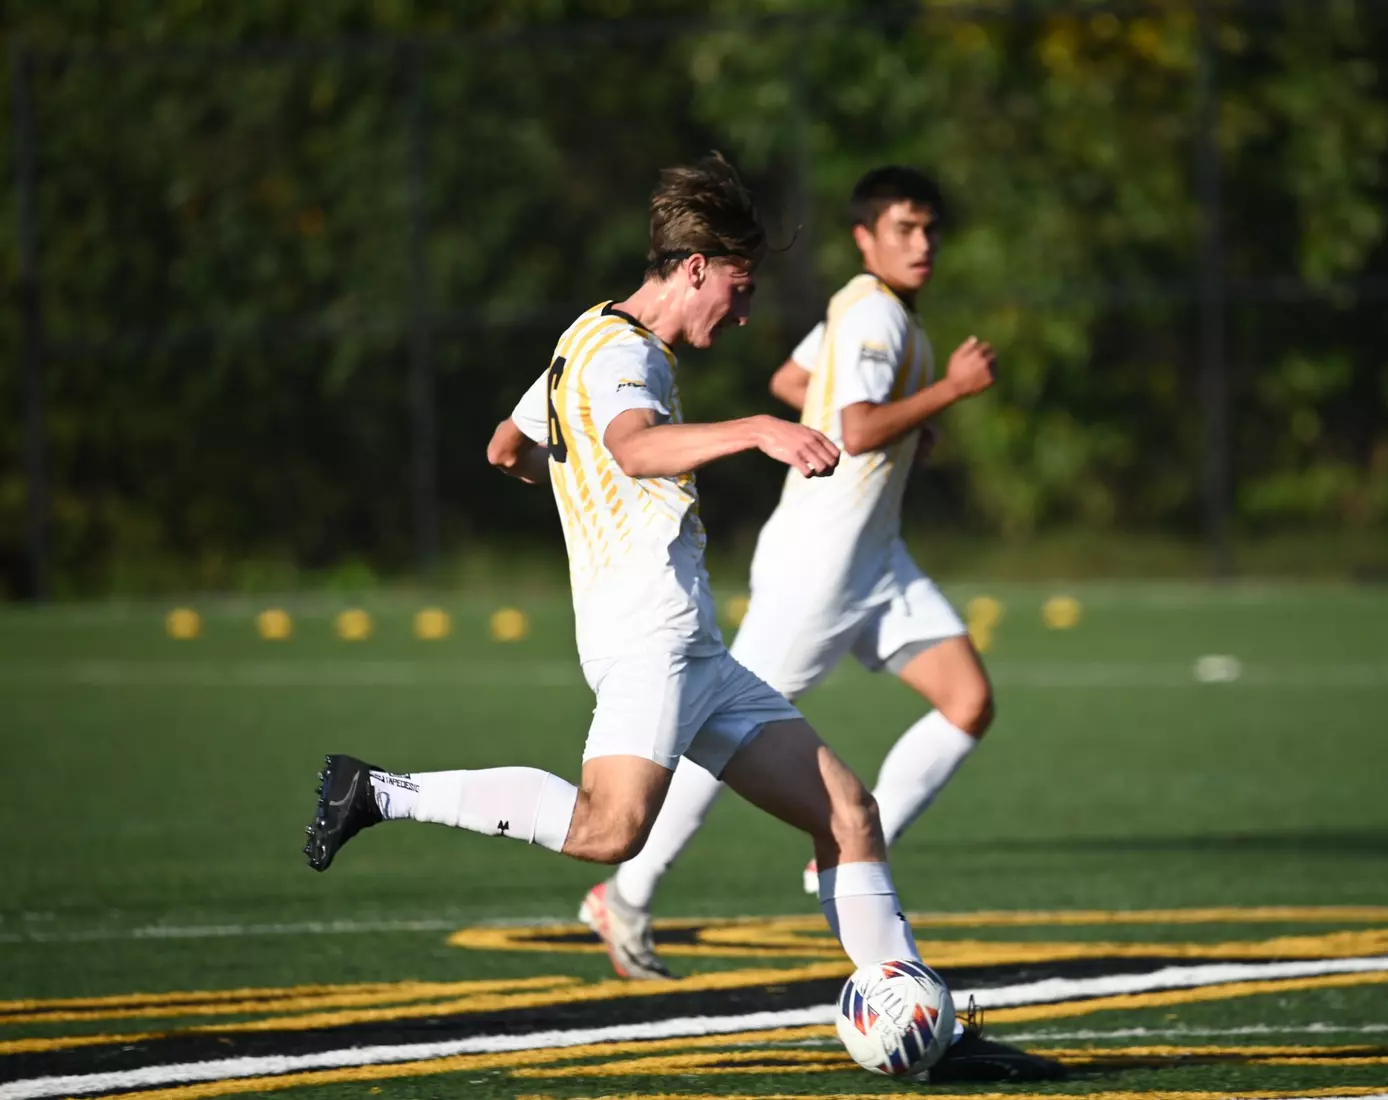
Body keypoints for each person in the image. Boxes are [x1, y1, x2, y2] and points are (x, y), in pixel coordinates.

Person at [300, 154, 1059, 1084]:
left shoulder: (582, 336)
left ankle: (923, 1024)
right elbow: (634, 444)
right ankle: (377, 791)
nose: (738, 316)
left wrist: (573, 482)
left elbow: (506, 449)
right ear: (693, 268)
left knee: (850, 816)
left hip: (692, 645)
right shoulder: (624, 356)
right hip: (647, 641)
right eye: (735, 292)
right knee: (609, 831)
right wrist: (754, 429)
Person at [582, 166, 1001, 982]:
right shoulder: (875, 313)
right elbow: (856, 425)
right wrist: (947, 392)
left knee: (968, 699)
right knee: (727, 735)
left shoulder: (866, 309)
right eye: (904, 229)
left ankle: (834, 861)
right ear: (865, 236)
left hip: (875, 561)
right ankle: (625, 894)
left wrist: (911, 420)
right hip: (819, 565)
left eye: (930, 230)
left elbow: (790, 381)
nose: (922, 244)